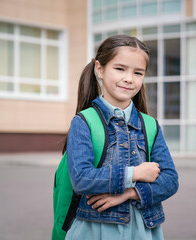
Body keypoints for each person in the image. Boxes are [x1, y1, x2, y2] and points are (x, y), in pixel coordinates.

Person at [63, 35, 179, 240]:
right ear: (100, 69)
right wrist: (135, 173)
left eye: (138, 72)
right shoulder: (84, 122)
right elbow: (81, 179)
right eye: (120, 69)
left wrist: (129, 194)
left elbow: (170, 180)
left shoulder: (150, 125)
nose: (129, 78)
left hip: (144, 230)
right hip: (95, 229)